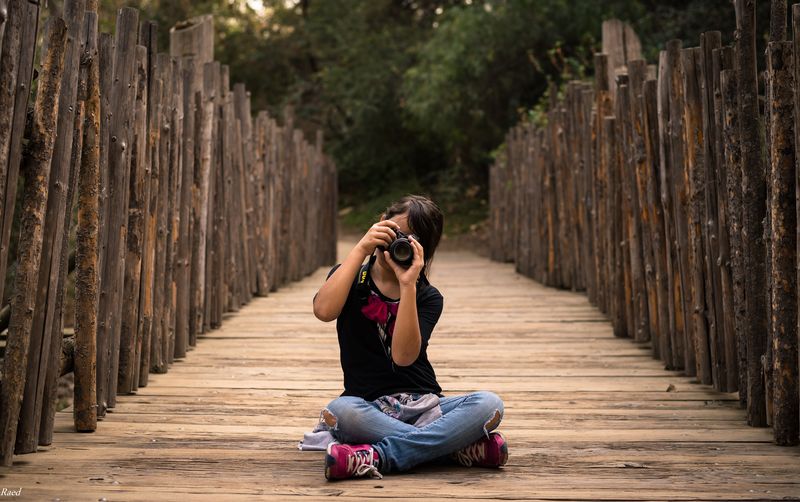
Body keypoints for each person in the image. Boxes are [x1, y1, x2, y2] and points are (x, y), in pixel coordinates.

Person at [311, 194, 508, 481]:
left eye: (408, 240)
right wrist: (361, 248)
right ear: (381, 223)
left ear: (422, 252)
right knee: (341, 411)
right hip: (367, 406)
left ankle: (377, 456)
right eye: (394, 232)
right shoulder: (350, 277)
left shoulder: (427, 296)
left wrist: (408, 286)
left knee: (490, 404)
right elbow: (324, 311)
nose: (396, 243)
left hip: (425, 405)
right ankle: (453, 448)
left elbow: (403, 357)